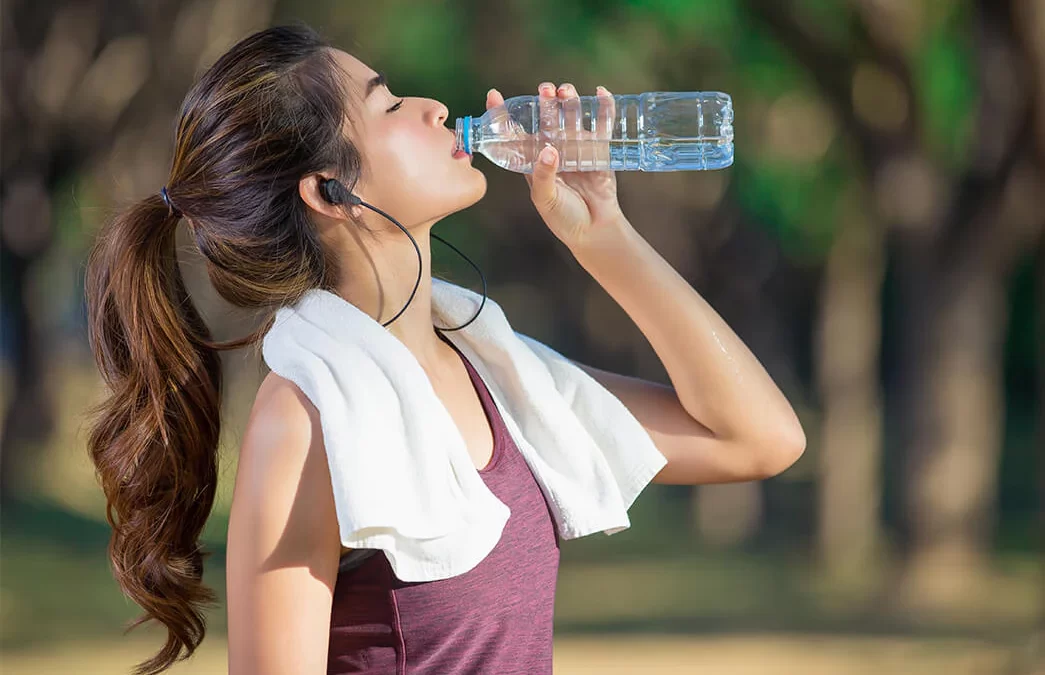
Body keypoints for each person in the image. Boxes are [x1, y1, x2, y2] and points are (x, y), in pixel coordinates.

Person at [83, 22, 806, 675]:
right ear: (330, 192)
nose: (433, 107)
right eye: (389, 105)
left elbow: (757, 439)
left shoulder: (498, 373)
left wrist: (603, 236)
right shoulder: (305, 420)